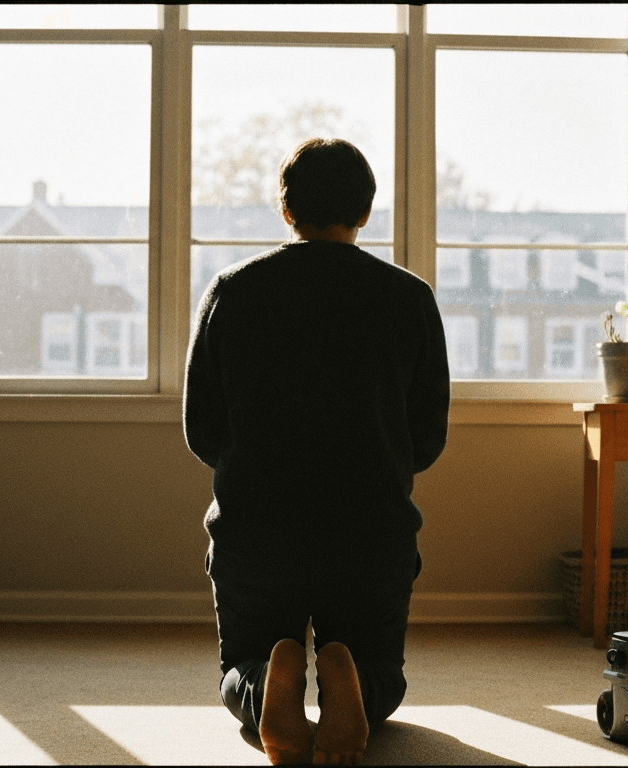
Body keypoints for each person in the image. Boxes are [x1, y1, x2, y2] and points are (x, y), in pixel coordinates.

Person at [184, 138, 451, 765]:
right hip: (369, 535)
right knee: (382, 677)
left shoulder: (231, 291)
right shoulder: (409, 298)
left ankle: (264, 683)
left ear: (286, 210)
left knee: (238, 668)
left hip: (258, 534)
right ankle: (351, 682)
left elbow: (202, 431)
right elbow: (426, 438)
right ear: (365, 212)